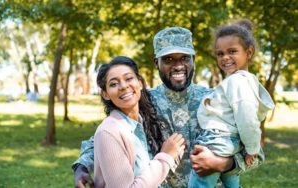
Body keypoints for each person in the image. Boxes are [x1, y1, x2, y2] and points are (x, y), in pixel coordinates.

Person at [73, 27, 264, 188]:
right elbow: (108, 137)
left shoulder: (215, 100)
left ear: (193, 60)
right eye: (169, 60)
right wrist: (82, 166)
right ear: (157, 63)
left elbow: (256, 154)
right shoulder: (143, 102)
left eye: (184, 58)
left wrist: (223, 163)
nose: (178, 66)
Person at [188, 19, 275, 188]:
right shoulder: (242, 81)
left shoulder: (238, 82)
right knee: (232, 184)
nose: (225, 57)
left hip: (218, 140)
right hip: (229, 142)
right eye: (220, 54)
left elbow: (248, 119)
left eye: (232, 51)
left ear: (249, 53)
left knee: (199, 184)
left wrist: (252, 149)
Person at [92, 56, 185, 187]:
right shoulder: (108, 132)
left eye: (129, 78)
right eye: (113, 84)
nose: (123, 86)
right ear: (105, 94)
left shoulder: (141, 121)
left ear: (140, 83)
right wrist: (166, 156)